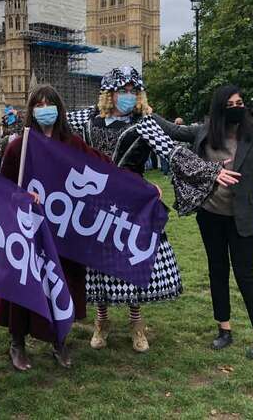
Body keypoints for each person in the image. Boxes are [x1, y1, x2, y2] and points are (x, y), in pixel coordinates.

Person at [155, 84, 253, 359]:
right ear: (219, 108)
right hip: (210, 215)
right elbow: (172, 130)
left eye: (240, 103)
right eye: (231, 104)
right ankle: (223, 329)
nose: (237, 108)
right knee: (217, 270)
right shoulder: (204, 132)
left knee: (245, 273)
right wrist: (144, 110)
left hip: (243, 216)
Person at [65, 66, 183, 354]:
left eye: (133, 91)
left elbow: (173, 145)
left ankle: (136, 323)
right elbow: (54, 120)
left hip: (131, 203)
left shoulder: (144, 123)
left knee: (131, 261)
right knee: (99, 263)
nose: (128, 96)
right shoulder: (86, 119)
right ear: (109, 93)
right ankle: (101, 321)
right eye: (122, 91)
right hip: (95, 203)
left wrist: (207, 168)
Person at [0, 84, 109, 371]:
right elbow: (3, 187)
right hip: (28, 230)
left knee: (63, 284)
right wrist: (21, 198)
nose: (45, 109)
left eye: (50, 103)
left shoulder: (73, 144)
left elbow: (104, 169)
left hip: (64, 232)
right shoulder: (19, 145)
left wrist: (139, 185)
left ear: (59, 108)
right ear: (31, 110)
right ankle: (17, 342)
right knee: (24, 284)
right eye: (39, 104)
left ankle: (59, 340)